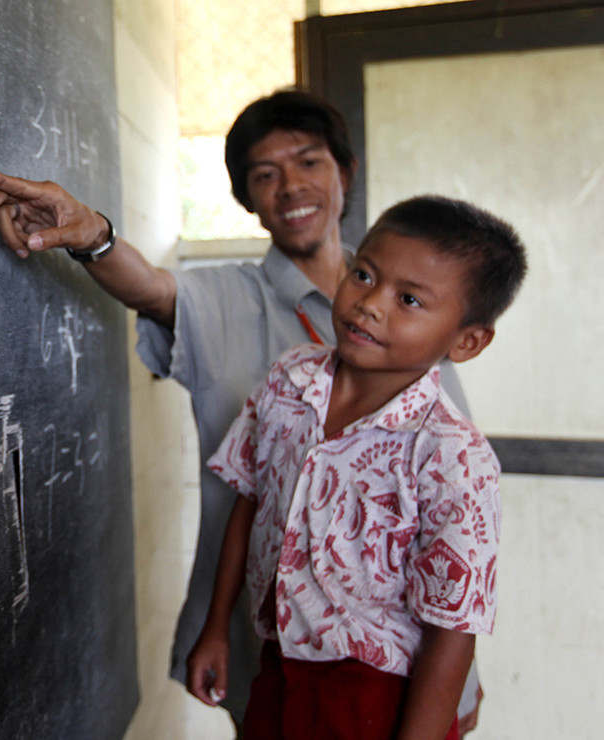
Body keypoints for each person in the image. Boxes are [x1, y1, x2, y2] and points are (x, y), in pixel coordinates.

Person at [0, 89, 481, 730]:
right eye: (265, 175)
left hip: (406, 671)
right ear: (247, 198)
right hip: (269, 652)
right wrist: (93, 236)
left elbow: (451, 534)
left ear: (344, 172)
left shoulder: (421, 304)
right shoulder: (235, 307)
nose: (291, 186)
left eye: (308, 162)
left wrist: (460, 687)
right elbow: (156, 290)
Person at [187, 195, 526, 740]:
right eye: (363, 274)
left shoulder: (452, 458)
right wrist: (216, 629)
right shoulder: (289, 380)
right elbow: (248, 503)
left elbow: (453, 631)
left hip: (376, 698)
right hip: (278, 666)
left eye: (410, 299)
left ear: (467, 341)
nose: (370, 303)